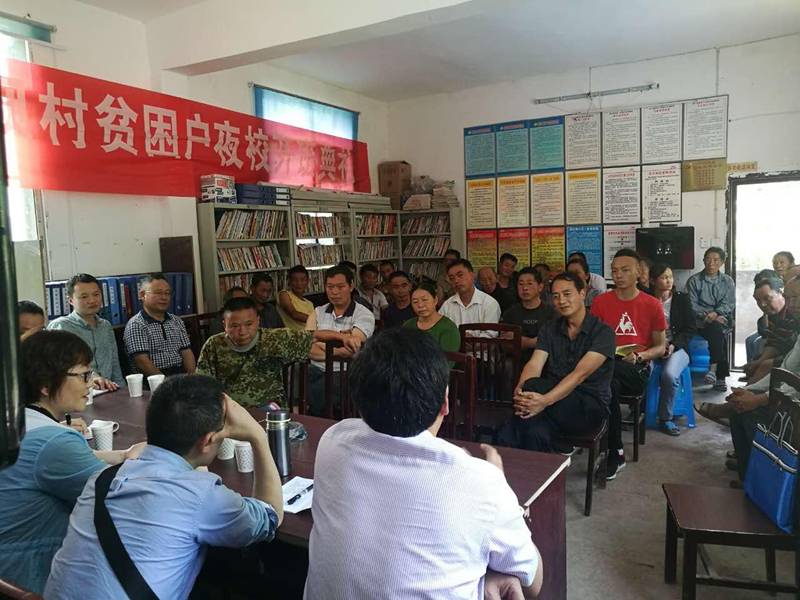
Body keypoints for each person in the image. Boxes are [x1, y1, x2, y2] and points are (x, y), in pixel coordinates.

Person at [304, 328, 543, 599]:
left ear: (357, 399)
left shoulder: (333, 441)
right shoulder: (481, 482)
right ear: (445, 403)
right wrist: (498, 487)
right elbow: (533, 582)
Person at [45, 375, 283, 600]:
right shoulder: (203, 496)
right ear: (209, 440)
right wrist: (258, 436)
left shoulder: (101, 478)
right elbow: (270, 515)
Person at [0, 331, 144, 594]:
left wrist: (123, 455)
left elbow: (62, 463)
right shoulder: (54, 442)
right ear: (46, 384)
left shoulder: (19, 421)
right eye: (84, 375)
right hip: (32, 573)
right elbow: (121, 496)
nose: (90, 383)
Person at [508, 272, 615, 455]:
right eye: (556, 296)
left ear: (582, 293)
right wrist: (520, 389)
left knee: (531, 392)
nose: (561, 301)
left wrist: (544, 401)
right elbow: (534, 364)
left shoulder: (603, 332)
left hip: (588, 407)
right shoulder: (550, 329)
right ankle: (542, 470)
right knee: (533, 431)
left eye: (567, 294)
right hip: (554, 400)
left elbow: (579, 374)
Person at [591, 249, 666, 479]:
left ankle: (583, 435)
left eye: (625, 270)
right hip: (608, 366)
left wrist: (640, 356)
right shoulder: (600, 302)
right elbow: (592, 340)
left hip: (637, 368)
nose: (619, 275)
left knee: (602, 379)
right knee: (610, 385)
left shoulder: (652, 304)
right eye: (615, 271)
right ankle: (616, 451)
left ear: (639, 272)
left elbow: (660, 347)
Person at [725, 276, 800, 485]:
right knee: (738, 408)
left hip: (795, 402)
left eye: (797, 297)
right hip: (790, 394)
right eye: (790, 298)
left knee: (752, 413)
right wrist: (750, 390)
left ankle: (767, 481)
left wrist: (759, 400)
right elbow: (786, 371)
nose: (793, 304)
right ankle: (749, 477)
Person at [197, 297, 315, 409]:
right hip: (230, 410)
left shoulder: (274, 338)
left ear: (258, 321)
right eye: (235, 326)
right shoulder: (213, 345)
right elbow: (202, 386)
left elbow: (315, 336)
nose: (242, 332)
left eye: (249, 324)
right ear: (224, 325)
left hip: (269, 409)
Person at [305, 266, 375, 415]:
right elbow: (305, 345)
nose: (334, 292)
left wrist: (317, 341)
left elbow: (351, 349)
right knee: (293, 376)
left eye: (340, 287)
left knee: (319, 391)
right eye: (330, 287)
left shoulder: (363, 314)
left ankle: (313, 419)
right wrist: (335, 350)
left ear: (351, 286)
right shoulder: (318, 312)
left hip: (345, 371)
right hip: (315, 368)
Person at [48, 273, 123, 388]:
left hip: (110, 390)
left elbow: (115, 366)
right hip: (80, 392)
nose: (92, 300)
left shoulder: (105, 326)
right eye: (84, 297)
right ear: (70, 300)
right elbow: (59, 367)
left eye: (96, 294)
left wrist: (123, 390)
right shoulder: (61, 326)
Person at [649, 263, 697, 436]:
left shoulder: (682, 299)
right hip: (651, 347)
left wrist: (673, 345)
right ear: (653, 281)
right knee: (639, 372)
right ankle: (639, 411)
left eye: (670, 277)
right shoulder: (646, 299)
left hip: (677, 348)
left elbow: (690, 327)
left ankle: (665, 418)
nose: (669, 280)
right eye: (663, 277)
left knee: (669, 375)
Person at [123, 273, 196, 377]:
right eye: (158, 293)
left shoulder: (176, 321)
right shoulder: (136, 324)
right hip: (152, 379)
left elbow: (186, 352)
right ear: (143, 295)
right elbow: (142, 362)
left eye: (167, 293)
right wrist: (166, 383)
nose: (164, 297)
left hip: (180, 375)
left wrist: (192, 378)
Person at [686, 247, 735, 392]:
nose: (711, 263)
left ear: (722, 262)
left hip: (721, 318)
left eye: (715, 260)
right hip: (699, 320)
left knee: (717, 330)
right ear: (703, 260)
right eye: (708, 259)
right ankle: (718, 375)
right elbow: (691, 304)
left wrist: (717, 313)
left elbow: (729, 303)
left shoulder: (728, 281)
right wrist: (707, 315)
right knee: (717, 333)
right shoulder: (694, 280)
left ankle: (714, 371)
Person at [741, 275, 799, 384]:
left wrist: (763, 363)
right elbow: (774, 343)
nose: (762, 304)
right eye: (758, 300)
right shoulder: (773, 316)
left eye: (767, 298)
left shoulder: (794, 314)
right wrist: (759, 362)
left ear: (781, 294)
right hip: (788, 354)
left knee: (766, 364)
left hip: (793, 358)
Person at [500, 267, 556, 364]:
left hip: (545, 363)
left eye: (529, 283)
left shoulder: (552, 313)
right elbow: (504, 345)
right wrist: (537, 340)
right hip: (516, 362)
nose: (525, 288)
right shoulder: (509, 313)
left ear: (540, 287)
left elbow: (554, 343)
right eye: (521, 284)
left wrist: (522, 341)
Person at [439, 259, 501, 337]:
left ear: (472, 275)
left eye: (460, 275)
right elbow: (440, 330)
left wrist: (471, 341)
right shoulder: (447, 305)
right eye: (452, 278)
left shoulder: (489, 303)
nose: (456, 281)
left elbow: (490, 335)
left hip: (480, 345)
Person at [404, 281, 461, 356]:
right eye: (415, 302)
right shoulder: (408, 325)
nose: (420, 305)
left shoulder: (448, 327)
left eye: (424, 300)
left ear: (435, 300)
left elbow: (448, 359)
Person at [277, 265, 314, 330]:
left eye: (302, 280)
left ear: (308, 281)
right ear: (289, 281)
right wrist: (318, 320)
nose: (299, 283)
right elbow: (294, 314)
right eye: (295, 280)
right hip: (293, 335)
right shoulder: (284, 294)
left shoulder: (310, 304)